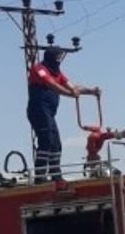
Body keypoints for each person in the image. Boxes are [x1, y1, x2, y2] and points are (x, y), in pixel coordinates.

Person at [26, 46, 99, 182]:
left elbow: (71, 86)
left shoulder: (57, 72)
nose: (59, 62)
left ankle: (55, 175)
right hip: (38, 110)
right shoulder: (39, 69)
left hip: (49, 113)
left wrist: (91, 91)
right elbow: (52, 85)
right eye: (58, 58)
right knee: (46, 139)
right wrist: (70, 94)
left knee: (55, 143)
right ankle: (40, 176)